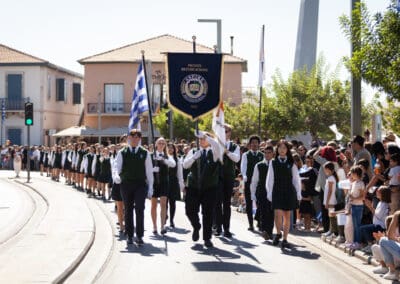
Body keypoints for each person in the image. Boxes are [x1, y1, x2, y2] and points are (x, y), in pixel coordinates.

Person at [114, 129, 154, 245]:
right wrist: (116, 176)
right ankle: (130, 234)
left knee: (140, 208)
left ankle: (140, 235)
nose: (134, 139)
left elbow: (149, 171)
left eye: (137, 137)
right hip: (126, 184)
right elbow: (117, 167)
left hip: (140, 184)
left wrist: (151, 187)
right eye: (132, 137)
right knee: (128, 209)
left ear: (140, 139)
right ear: (128, 139)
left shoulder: (145, 153)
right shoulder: (122, 152)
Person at [183, 131, 222, 248]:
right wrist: (194, 157)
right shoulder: (193, 151)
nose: (201, 140)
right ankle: (196, 226)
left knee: (208, 213)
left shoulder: (214, 151)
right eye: (200, 138)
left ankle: (207, 238)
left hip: (209, 187)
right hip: (194, 186)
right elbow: (185, 165)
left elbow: (216, 145)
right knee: (189, 210)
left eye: (203, 138)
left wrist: (207, 136)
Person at [266, 140, 302, 248]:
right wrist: (269, 193)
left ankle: (285, 239)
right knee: (277, 214)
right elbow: (270, 179)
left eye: (284, 148)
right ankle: (278, 233)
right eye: (280, 148)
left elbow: (296, 179)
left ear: (287, 150)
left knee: (287, 216)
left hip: (289, 191)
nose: (282, 150)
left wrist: (298, 193)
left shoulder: (291, 163)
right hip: (277, 190)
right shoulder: (273, 162)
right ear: (277, 149)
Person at [215, 124, 240, 237]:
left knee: (227, 203)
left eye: (226, 131)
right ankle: (218, 227)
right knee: (217, 202)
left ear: (230, 133)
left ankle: (227, 228)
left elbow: (236, 158)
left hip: (229, 177)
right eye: (222, 131)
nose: (224, 133)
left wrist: (227, 152)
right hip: (218, 176)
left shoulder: (235, 146)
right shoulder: (216, 145)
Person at [151, 137, 176, 235]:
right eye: (159, 143)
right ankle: (154, 226)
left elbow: (173, 164)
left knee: (163, 204)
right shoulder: (151, 155)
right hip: (154, 182)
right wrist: (153, 169)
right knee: (153, 205)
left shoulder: (167, 156)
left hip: (164, 182)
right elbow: (147, 168)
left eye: (163, 143)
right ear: (156, 144)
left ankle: (162, 226)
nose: (161, 145)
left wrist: (163, 160)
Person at [250, 145, 275, 240]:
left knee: (271, 212)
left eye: (269, 153)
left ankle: (270, 231)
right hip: (262, 192)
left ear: (273, 154)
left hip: (273, 192)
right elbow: (254, 180)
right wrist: (252, 193)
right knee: (263, 212)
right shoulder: (259, 165)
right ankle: (265, 230)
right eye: (265, 153)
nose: (267, 155)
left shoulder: (275, 164)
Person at [240, 135, 264, 231]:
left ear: (258, 144)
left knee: (260, 202)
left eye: (256, 142)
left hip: (259, 183)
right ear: (250, 144)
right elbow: (243, 166)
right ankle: (250, 224)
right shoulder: (246, 155)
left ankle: (259, 220)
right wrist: (244, 175)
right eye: (252, 142)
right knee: (249, 203)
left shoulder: (261, 155)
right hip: (249, 181)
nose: (254, 144)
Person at [167, 142, 184, 228]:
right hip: (165, 182)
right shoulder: (163, 158)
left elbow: (180, 174)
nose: (170, 149)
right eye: (168, 148)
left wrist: (181, 185)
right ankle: (165, 215)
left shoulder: (177, 160)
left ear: (174, 149)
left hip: (173, 182)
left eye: (172, 148)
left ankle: (171, 220)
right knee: (164, 202)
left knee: (172, 202)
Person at [348, 165, 365, 249]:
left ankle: (358, 242)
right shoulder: (354, 183)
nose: (351, 174)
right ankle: (355, 242)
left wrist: (354, 198)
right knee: (355, 225)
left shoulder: (361, 183)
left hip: (358, 206)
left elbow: (363, 197)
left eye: (352, 173)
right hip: (353, 206)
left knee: (357, 225)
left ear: (355, 173)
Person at [379, 210, 400, 280]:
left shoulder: (398, 214)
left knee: (383, 240)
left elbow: (390, 236)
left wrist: (395, 217)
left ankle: (393, 271)